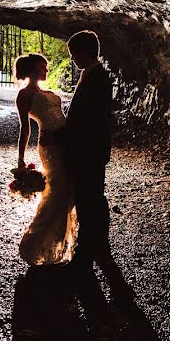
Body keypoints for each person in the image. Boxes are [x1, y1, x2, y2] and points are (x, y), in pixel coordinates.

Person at [14, 53, 78, 265]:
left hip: (66, 142)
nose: (46, 71)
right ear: (32, 70)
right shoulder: (23, 95)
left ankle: (58, 244)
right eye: (42, 67)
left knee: (67, 190)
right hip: (50, 146)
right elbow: (25, 129)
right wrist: (21, 159)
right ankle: (35, 244)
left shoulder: (45, 92)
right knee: (57, 191)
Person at [64, 30, 113, 273]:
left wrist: (64, 134)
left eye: (74, 54)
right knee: (91, 197)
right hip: (89, 148)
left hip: (89, 150)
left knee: (89, 198)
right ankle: (97, 246)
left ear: (85, 52)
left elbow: (91, 119)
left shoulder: (98, 78)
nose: (73, 59)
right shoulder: (92, 74)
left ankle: (89, 249)